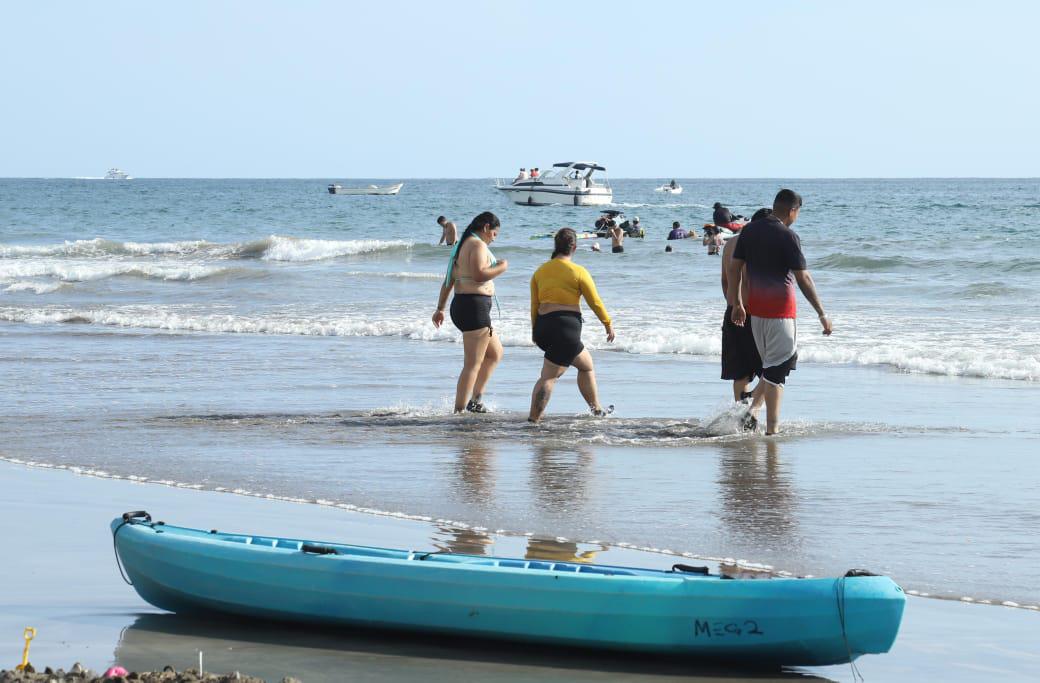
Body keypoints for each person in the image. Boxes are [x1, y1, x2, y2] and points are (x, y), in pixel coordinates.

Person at [727, 190, 832, 435]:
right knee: (777, 372)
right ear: (793, 210)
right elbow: (803, 277)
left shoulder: (749, 231)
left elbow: (734, 268)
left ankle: (754, 410)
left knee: (774, 365)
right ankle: (772, 431)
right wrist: (821, 313)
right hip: (781, 313)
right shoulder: (788, 235)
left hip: (756, 312)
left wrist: (737, 304)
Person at [528, 228, 615, 422]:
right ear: (573, 247)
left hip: (543, 328)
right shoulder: (578, 271)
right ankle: (533, 420)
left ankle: (597, 410)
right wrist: (607, 323)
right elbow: (595, 301)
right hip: (565, 329)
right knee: (549, 376)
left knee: (586, 365)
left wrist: (535, 331)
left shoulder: (540, 272)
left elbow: (534, 304)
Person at [432, 211, 509, 413]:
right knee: (472, 364)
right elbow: (478, 275)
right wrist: (502, 267)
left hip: (463, 305)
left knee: (495, 353)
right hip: (474, 307)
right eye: (494, 234)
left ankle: (475, 401)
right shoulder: (477, 245)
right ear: (485, 228)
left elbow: (449, 279)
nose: (494, 239)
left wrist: (440, 308)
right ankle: (458, 412)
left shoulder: (462, 245)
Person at [720, 211, 766, 417]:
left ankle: (741, 414)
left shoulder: (730, 244)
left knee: (740, 371)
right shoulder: (759, 245)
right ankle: (753, 411)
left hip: (733, 310)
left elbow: (725, 280)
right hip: (756, 311)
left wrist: (733, 303)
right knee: (774, 366)